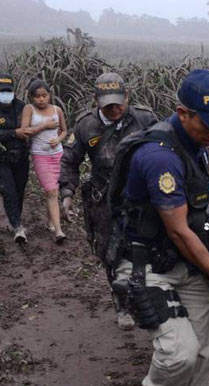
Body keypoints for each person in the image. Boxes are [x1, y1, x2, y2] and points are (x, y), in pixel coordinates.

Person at [108, 69, 209, 386]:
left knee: (208, 348)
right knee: (179, 351)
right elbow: (180, 230)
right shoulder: (158, 157)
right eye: (208, 125)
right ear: (183, 113)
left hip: (186, 261)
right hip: (147, 264)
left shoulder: (195, 144)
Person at [59, 72, 156, 330]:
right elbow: (70, 160)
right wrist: (67, 193)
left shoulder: (145, 119)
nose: (114, 109)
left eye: (118, 103)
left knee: (146, 249)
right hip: (104, 200)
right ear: (96, 101)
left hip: (142, 198)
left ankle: (147, 295)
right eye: (107, 105)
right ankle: (121, 304)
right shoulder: (85, 126)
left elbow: (165, 149)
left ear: (127, 96)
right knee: (109, 253)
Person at [0, 73, 34, 243]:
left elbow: (31, 126)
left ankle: (15, 220)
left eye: (9, 90)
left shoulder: (22, 107)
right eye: (2, 91)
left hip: (20, 157)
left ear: (13, 91)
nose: (6, 94)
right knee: (9, 191)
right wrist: (14, 133)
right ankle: (18, 226)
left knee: (19, 191)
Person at [21, 79, 68, 243]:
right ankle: (59, 231)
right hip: (40, 155)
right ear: (32, 97)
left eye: (44, 95)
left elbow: (64, 131)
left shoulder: (57, 110)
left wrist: (58, 139)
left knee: (55, 190)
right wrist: (44, 126)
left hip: (58, 155)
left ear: (49, 95)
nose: (41, 99)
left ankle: (51, 222)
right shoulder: (29, 109)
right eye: (37, 96)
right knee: (51, 191)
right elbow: (24, 131)